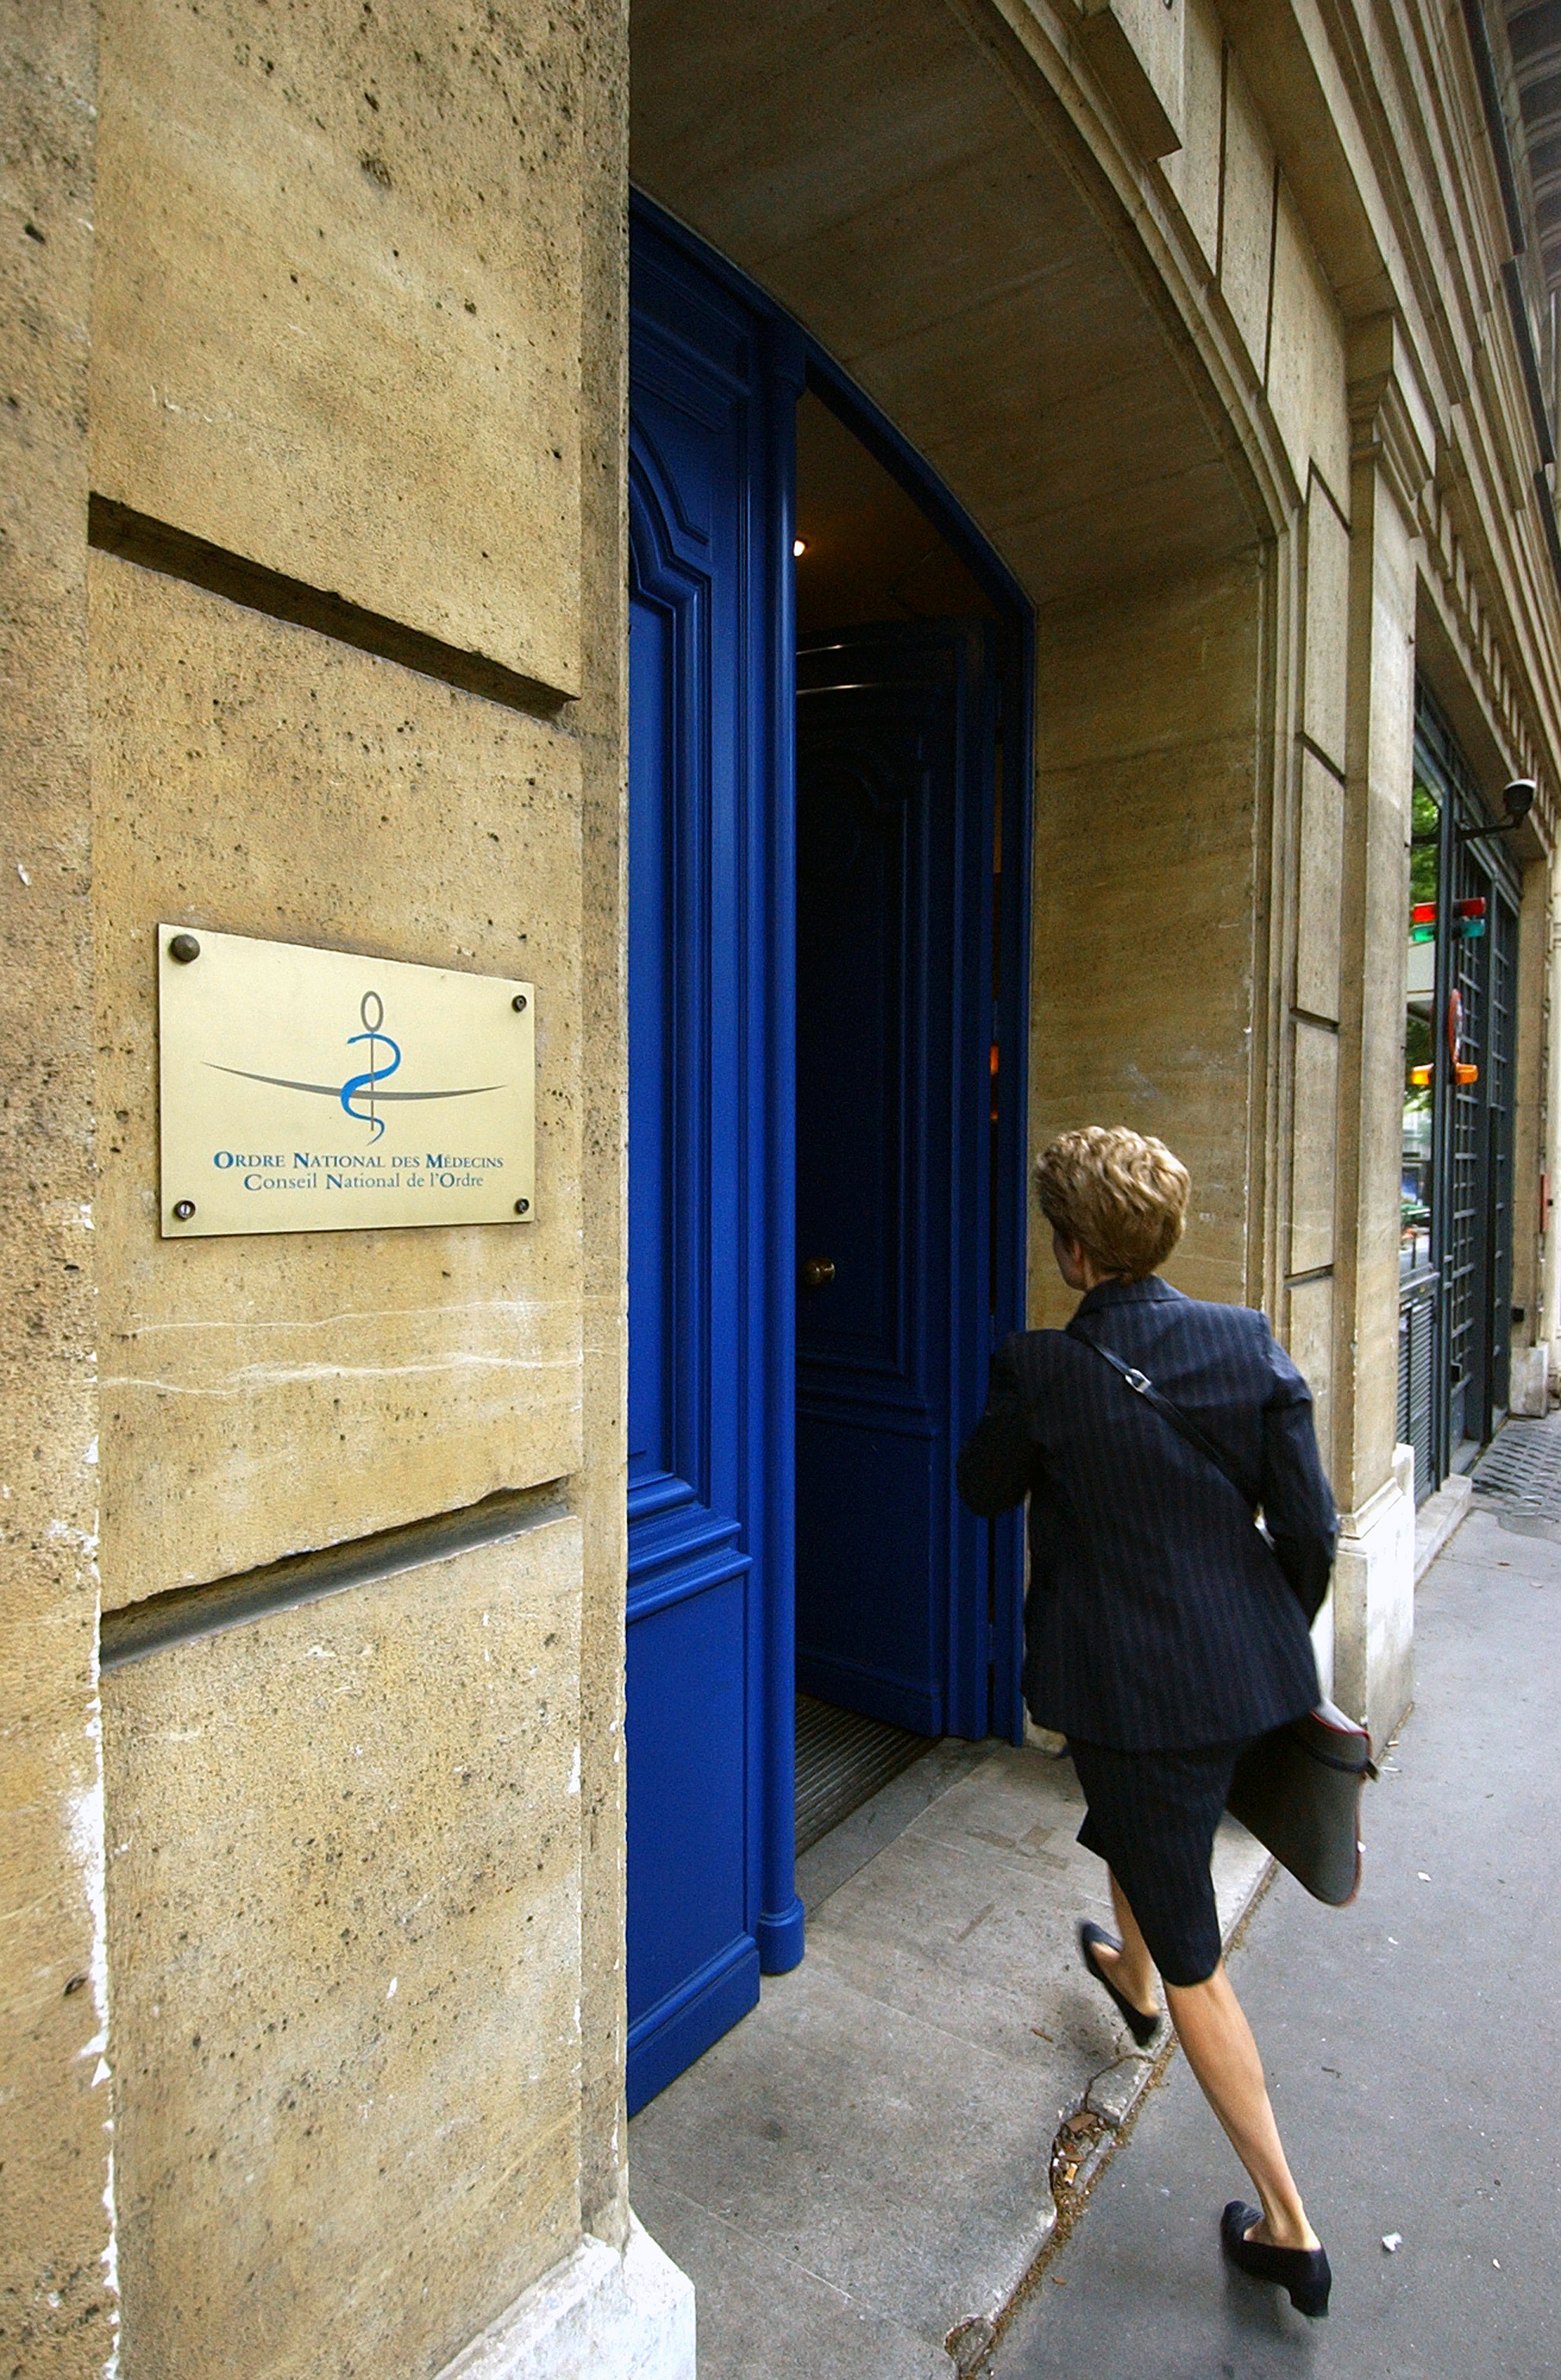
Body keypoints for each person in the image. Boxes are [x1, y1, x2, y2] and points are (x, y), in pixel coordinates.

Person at [957, 1124, 1338, 2319]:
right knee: (1141, 1835)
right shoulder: (1245, 1339)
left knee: (1196, 1963)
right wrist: (1259, 1643)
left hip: (1130, 1698)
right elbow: (1312, 1530)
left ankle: (1288, 2227)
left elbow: (980, 1489)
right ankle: (1126, 1974)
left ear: (1072, 1253)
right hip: (1244, 1676)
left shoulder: (1041, 1368)